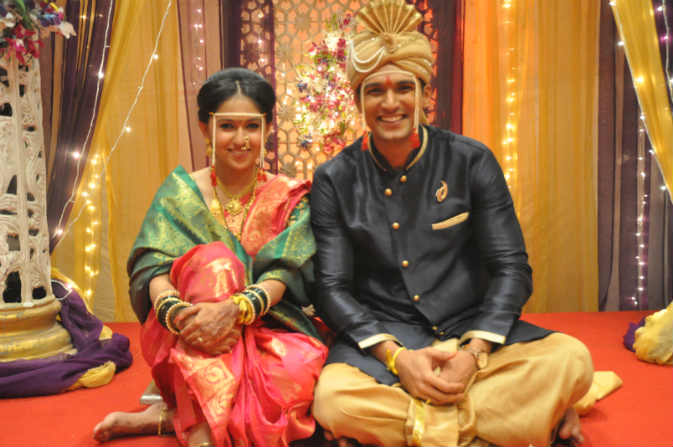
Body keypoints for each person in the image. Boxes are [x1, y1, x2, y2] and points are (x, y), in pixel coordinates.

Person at [309, 1, 593, 446]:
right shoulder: (334, 178)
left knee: (572, 359)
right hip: (389, 340)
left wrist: (474, 355)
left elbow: (511, 268)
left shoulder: (471, 160)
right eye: (375, 90)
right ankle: (510, 421)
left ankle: (421, 427)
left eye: (404, 88)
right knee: (334, 399)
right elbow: (332, 288)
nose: (390, 103)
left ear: (424, 93)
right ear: (359, 99)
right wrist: (397, 359)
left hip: (470, 331)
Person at [93, 67, 327, 446]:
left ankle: (171, 418)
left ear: (267, 128)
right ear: (205, 128)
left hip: (267, 327)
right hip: (192, 335)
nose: (241, 139)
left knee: (296, 374)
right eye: (227, 126)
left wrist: (234, 311)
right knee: (214, 262)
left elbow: (285, 273)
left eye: (251, 126)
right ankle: (202, 430)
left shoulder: (288, 196)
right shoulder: (180, 194)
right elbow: (153, 267)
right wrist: (178, 314)